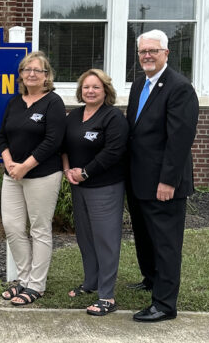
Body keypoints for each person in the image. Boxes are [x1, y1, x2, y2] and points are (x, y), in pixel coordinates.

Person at [126, 29, 199, 322]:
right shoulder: (138, 85)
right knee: (145, 237)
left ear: (166, 54)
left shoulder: (179, 88)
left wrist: (168, 181)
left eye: (153, 51)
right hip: (139, 180)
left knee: (166, 243)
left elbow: (180, 140)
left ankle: (165, 304)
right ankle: (151, 279)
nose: (147, 56)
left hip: (162, 183)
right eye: (143, 51)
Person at [0, 51, 66, 306]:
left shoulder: (53, 102)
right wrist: (9, 164)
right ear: (21, 75)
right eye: (27, 70)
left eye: (38, 70)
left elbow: (53, 141)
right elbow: (2, 136)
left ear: (47, 75)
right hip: (12, 174)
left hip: (42, 174)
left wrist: (25, 166)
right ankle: (24, 279)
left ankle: (37, 285)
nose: (32, 74)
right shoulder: (15, 102)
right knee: (13, 227)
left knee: (39, 229)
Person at [62, 69, 128, 316]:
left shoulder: (113, 118)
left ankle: (107, 296)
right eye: (86, 87)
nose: (90, 91)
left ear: (106, 91)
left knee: (105, 240)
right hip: (78, 186)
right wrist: (68, 170)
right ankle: (90, 283)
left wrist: (86, 172)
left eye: (96, 87)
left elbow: (113, 152)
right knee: (86, 237)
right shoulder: (74, 116)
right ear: (80, 91)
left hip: (105, 187)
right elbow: (64, 146)